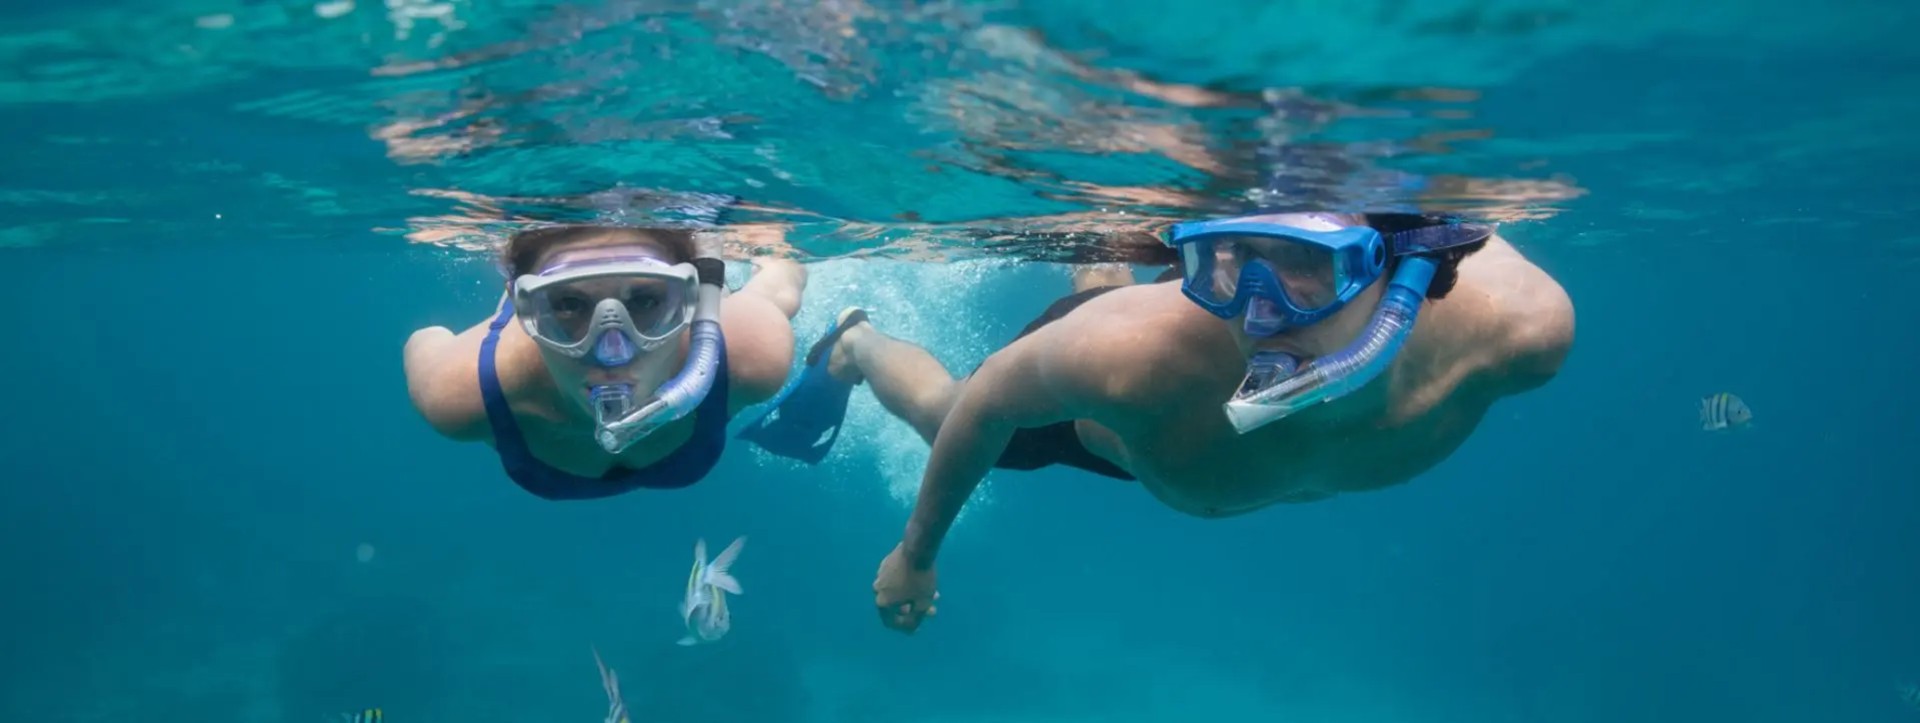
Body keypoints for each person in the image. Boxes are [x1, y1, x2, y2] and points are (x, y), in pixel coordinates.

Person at [809, 211, 1574, 633]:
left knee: (1111, 304)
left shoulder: (1520, 331)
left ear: (1409, 270)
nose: (1257, 309)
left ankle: (1103, 247)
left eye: (1306, 266)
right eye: (1222, 264)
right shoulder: (1130, 357)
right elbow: (984, 407)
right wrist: (916, 552)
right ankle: (856, 338)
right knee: (941, 408)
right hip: (1116, 419)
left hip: (1173, 420)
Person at [402, 224, 817, 501]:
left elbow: (782, 285)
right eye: (568, 304)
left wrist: (776, 254)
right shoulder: (460, 393)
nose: (613, 351)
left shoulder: (747, 355)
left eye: (647, 300)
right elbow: (425, 340)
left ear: (692, 301)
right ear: (519, 307)